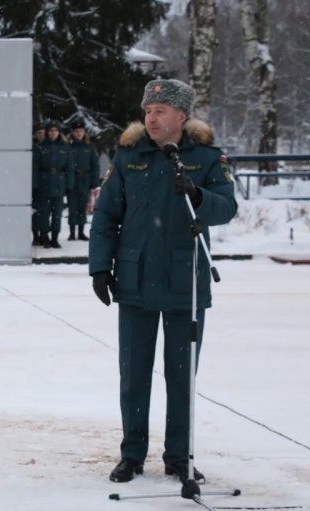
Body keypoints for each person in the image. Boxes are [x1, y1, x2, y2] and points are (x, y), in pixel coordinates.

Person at [89, 79, 237, 483]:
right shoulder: (127, 156)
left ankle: (178, 456)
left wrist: (198, 194)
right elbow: (106, 217)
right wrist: (100, 267)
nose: (151, 118)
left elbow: (227, 208)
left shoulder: (206, 159)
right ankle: (132, 454)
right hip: (134, 281)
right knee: (134, 374)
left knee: (180, 375)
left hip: (184, 284)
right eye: (148, 111)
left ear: (181, 117)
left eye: (160, 112)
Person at [34, 120, 74, 248]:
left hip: (59, 182)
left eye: (55, 130)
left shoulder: (65, 147)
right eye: (51, 130)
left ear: (59, 132)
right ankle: (44, 236)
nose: (53, 133)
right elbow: (35, 167)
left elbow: (70, 168)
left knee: (57, 213)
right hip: (44, 181)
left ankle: (55, 238)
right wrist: (35, 185)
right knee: (44, 213)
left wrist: (69, 185)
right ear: (47, 132)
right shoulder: (40, 147)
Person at [66, 118, 100, 241]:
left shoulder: (90, 147)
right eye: (76, 131)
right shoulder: (68, 147)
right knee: (72, 207)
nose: (79, 133)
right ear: (72, 133)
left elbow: (95, 165)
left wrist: (94, 181)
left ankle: (81, 231)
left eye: (81, 131)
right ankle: (71, 232)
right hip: (72, 179)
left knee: (82, 206)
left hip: (85, 179)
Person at [31, 122, 47, 245]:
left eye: (43, 133)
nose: (42, 135)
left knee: (44, 211)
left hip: (45, 182)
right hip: (35, 183)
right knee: (35, 212)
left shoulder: (47, 146)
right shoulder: (33, 147)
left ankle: (43, 234)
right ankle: (36, 235)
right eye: (39, 133)